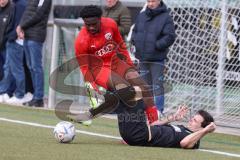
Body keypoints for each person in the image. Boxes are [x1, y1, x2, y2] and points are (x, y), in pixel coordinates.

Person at [72, 5, 159, 124]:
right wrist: (92, 88)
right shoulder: (81, 40)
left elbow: (121, 45)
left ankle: (154, 125)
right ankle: (129, 131)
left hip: (116, 62)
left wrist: (129, 65)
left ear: (100, 19)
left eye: (94, 24)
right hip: (98, 70)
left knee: (144, 87)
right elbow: (84, 67)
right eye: (88, 25)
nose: (91, 27)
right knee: (125, 90)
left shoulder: (111, 24)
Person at [131, 0, 176, 114]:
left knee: (157, 87)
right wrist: (136, 43)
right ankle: (146, 111)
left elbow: (170, 36)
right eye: (149, 1)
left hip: (157, 59)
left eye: (153, 1)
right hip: (143, 58)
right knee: (144, 87)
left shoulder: (166, 17)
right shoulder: (141, 15)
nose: (150, 3)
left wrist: (156, 46)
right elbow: (135, 32)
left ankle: (159, 112)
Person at [16, 0, 52, 107]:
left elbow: (38, 15)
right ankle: (35, 96)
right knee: (31, 67)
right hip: (28, 35)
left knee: (36, 67)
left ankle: (39, 98)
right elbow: (27, 12)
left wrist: (22, 26)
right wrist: (21, 26)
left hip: (36, 36)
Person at [0, 0, 16, 102]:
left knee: (9, 68)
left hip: (6, 45)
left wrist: (7, 39)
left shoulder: (12, 8)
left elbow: (11, 27)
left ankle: (8, 92)